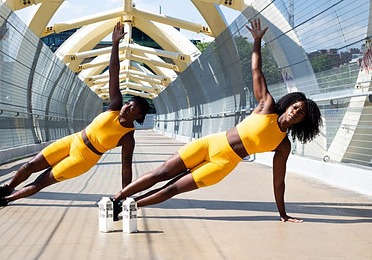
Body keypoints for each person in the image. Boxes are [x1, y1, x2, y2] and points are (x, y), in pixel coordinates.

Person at [111, 18, 322, 223]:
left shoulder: (283, 144)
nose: (296, 112)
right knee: (161, 173)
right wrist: (257, 41)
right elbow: (256, 71)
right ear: (289, 104)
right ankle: (116, 199)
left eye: (301, 114)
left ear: (303, 121)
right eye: (296, 108)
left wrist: (282, 213)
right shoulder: (266, 106)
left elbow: (278, 182)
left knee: (172, 188)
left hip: (223, 163)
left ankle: (125, 206)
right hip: (209, 144)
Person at [0, 22, 150, 207]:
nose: (126, 107)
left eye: (132, 108)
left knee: (41, 181)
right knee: (30, 165)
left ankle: (5, 200)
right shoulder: (114, 106)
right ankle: (7, 188)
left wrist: (123, 197)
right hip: (73, 140)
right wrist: (115, 45)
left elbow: (126, 170)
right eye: (128, 103)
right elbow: (113, 72)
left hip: (82, 159)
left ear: (138, 115)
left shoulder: (128, 137)